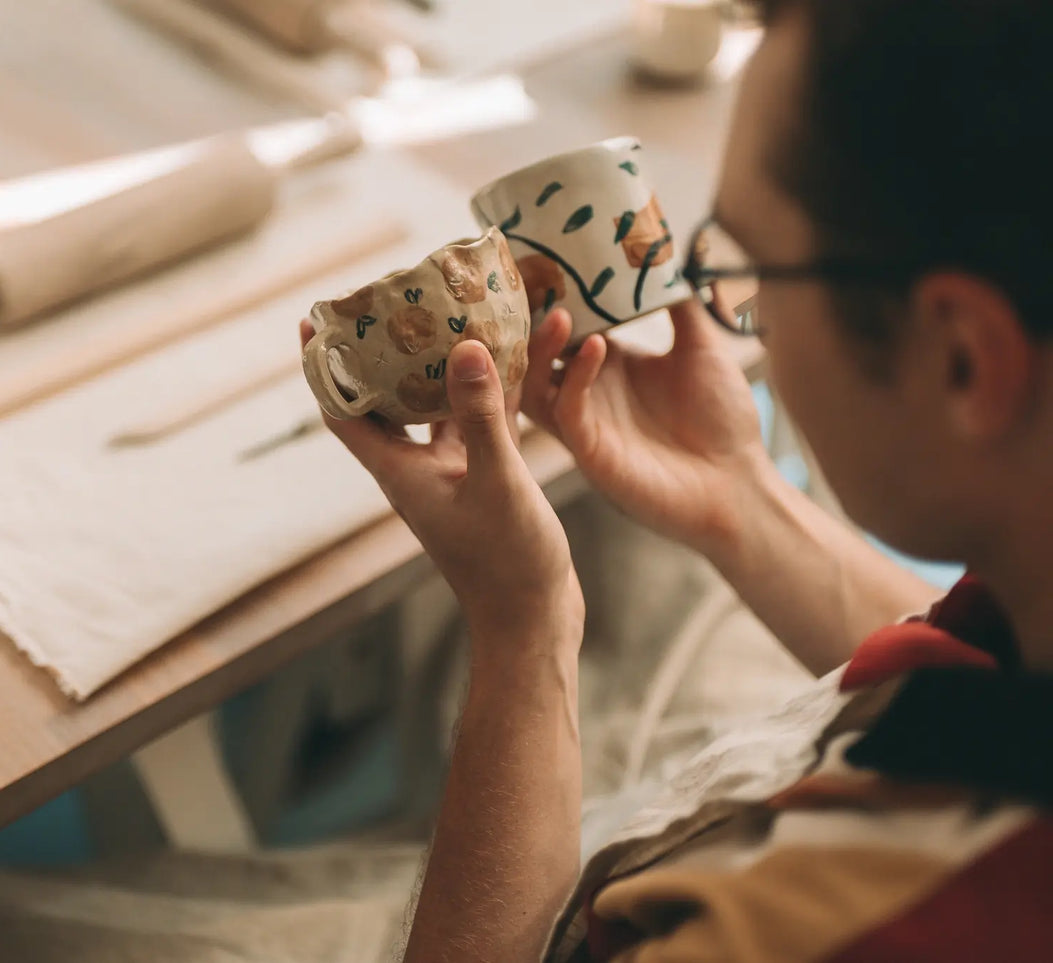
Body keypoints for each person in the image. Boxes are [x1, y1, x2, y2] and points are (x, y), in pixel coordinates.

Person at [307, 0, 1053, 959]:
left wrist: (522, 627)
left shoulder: (850, 926)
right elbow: (976, 666)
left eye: (752, 266)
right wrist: (738, 496)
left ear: (958, 359)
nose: (732, 300)